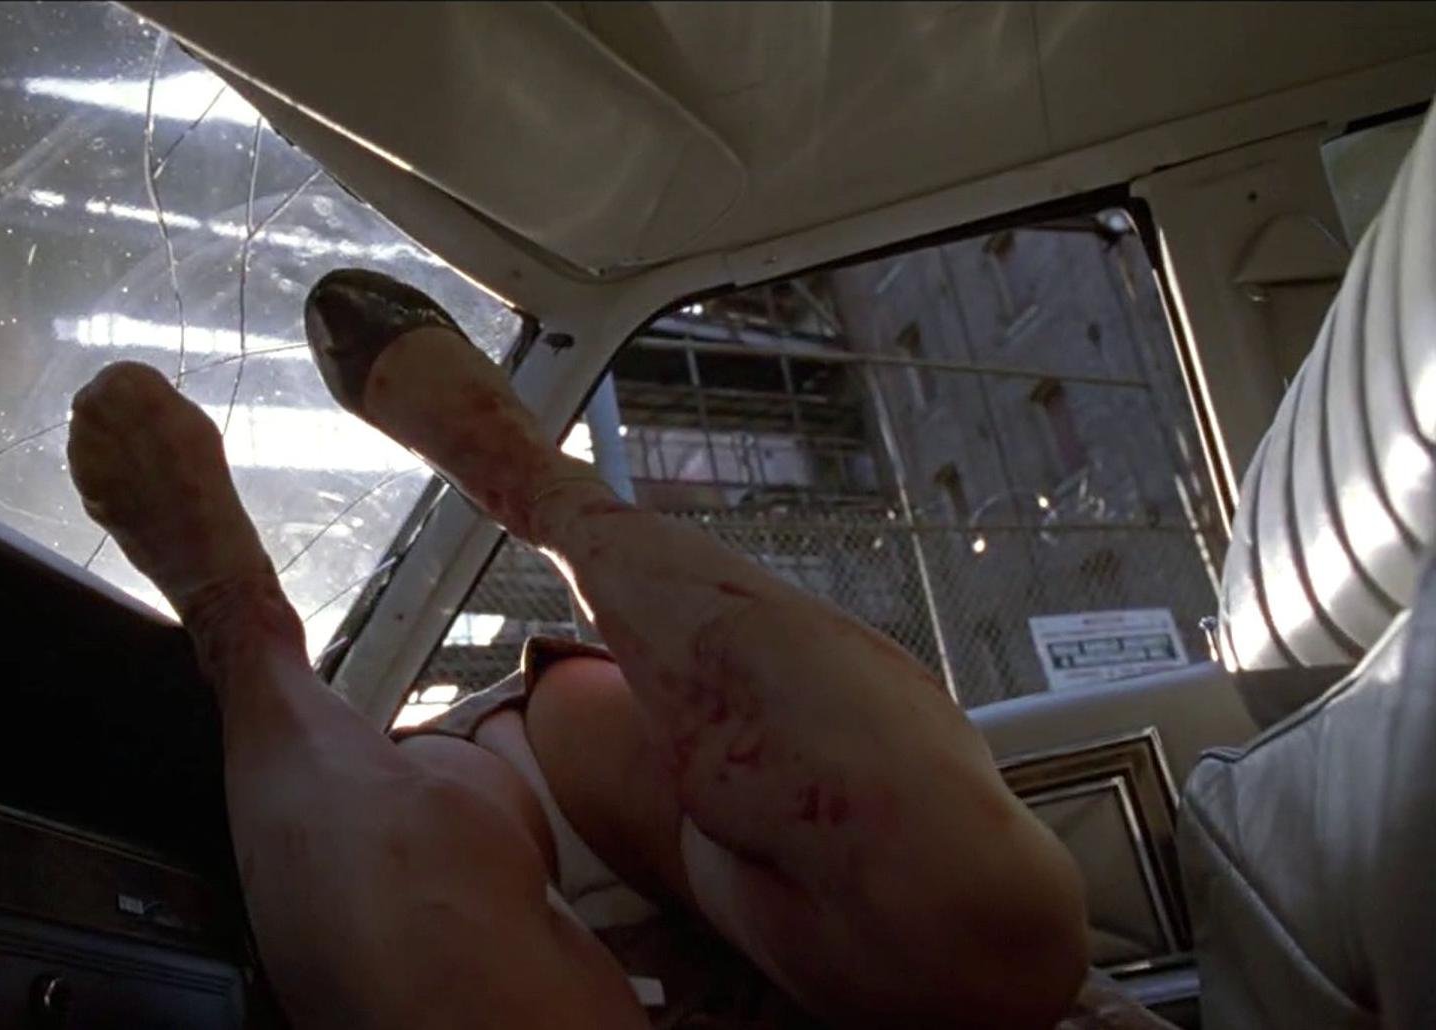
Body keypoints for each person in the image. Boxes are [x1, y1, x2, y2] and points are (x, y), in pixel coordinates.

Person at [66, 269, 1091, 1029]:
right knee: (1001, 932)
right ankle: (541, 489)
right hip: (649, 801)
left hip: (473, 799)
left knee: (438, 945)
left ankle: (238, 624)